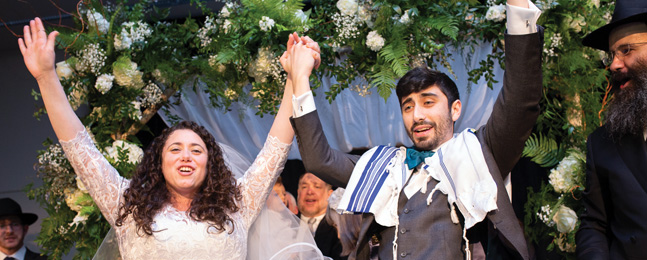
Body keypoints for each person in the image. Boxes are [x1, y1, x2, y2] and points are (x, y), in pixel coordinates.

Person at [18, 17, 321, 260]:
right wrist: (46, 76)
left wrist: (295, 78)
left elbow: (276, 147)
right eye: (175, 149)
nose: (186, 155)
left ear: (210, 164)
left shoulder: (237, 207)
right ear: (159, 163)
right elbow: (79, 148)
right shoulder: (127, 207)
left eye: (196, 150)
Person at [287, 0, 543, 258]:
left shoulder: (480, 153)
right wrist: (300, 78)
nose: (417, 115)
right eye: (408, 107)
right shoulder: (382, 165)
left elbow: (520, 101)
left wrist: (517, 6)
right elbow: (320, 160)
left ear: (455, 109)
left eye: (428, 102)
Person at [576, 0, 647, 259]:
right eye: (612, 55)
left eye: (627, 50)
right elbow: (594, 224)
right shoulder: (603, 142)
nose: (614, 65)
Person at [297, 173, 345, 260]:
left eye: (317, 187)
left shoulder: (338, 229)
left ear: (329, 194)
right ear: (298, 192)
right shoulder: (284, 224)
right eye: (304, 187)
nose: (309, 192)